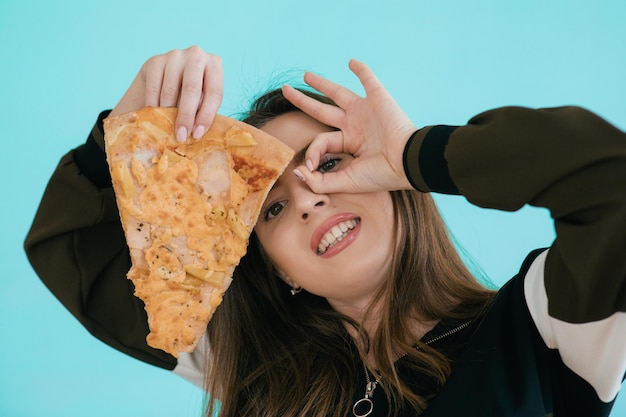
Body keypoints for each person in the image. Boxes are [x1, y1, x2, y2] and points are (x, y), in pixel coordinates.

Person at [24, 46, 626, 417]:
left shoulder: (545, 324)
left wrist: (420, 155)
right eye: (271, 208)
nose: (308, 199)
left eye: (329, 163)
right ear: (273, 267)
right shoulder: (252, 363)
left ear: (393, 184)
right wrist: (133, 130)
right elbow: (77, 247)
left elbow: (608, 180)